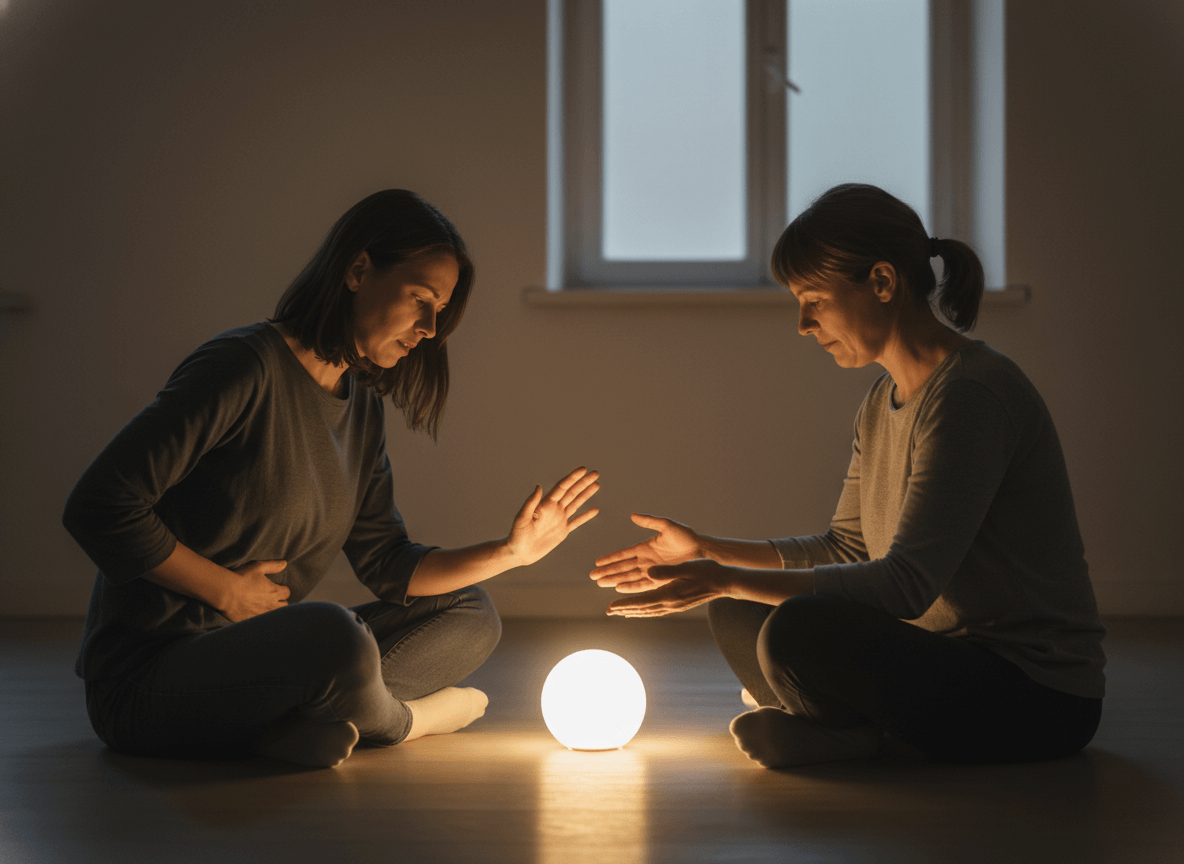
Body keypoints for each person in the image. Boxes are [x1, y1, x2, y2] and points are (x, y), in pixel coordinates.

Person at [64, 189, 600, 769]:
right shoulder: (242, 367)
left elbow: (388, 563)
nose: (429, 328)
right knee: (332, 635)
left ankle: (285, 726)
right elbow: (98, 504)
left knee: (469, 613)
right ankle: (405, 723)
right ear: (358, 270)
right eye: (420, 298)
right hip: (150, 679)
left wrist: (513, 552)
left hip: (264, 658)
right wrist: (227, 591)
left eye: (440, 311)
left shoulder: (361, 409)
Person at [591, 183, 1105, 769]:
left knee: (793, 627)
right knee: (736, 608)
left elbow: (904, 586)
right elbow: (846, 545)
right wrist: (706, 553)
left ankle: (843, 731)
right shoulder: (881, 399)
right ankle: (837, 721)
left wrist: (725, 575)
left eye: (814, 298)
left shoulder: (971, 397)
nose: (805, 323)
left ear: (883, 283)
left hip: (1033, 698)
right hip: (935, 658)